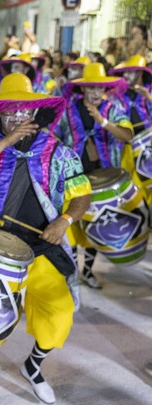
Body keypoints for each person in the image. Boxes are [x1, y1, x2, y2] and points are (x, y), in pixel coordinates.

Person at [0, 73, 92, 405]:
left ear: (35, 111)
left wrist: (66, 220)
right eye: (8, 111)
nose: (16, 115)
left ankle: (34, 364)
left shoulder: (58, 151)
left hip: (42, 246)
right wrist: (5, 141)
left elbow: (82, 193)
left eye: (22, 109)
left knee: (59, 312)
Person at [57, 63, 132, 289]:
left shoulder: (113, 108)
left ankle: (87, 271)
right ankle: (70, 273)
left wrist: (103, 122)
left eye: (100, 88)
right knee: (70, 226)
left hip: (103, 176)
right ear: (83, 89)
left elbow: (127, 135)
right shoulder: (67, 110)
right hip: (74, 177)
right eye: (91, 88)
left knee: (93, 225)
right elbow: (55, 138)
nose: (96, 92)